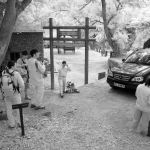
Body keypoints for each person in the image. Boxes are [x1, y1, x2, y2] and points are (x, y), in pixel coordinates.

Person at [2, 60, 24, 128]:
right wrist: (20, 90)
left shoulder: (3, 72)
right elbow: (22, 84)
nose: (16, 66)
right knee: (18, 109)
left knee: (9, 109)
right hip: (15, 94)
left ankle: (12, 124)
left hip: (6, 94)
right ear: (12, 66)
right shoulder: (16, 73)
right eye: (15, 65)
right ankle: (20, 123)